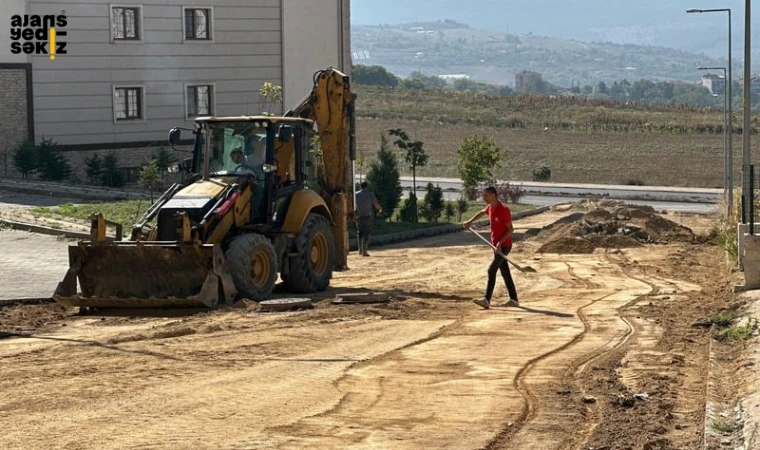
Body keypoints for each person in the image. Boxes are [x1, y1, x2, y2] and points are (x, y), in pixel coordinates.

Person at [461, 186, 519, 309]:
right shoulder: (490, 208)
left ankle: (486, 299)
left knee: (491, 270)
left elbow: (510, 229)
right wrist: (470, 222)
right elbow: (482, 212)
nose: (484, 198)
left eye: (486, 195)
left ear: (493, 195)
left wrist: (499, 244)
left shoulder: (504, 210)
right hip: (496, 246)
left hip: (504, 246)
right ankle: (514, 300)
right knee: (505, 272)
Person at [355, 181, 383, 256]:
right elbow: (375, 204)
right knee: (366, 233)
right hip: (367, 216)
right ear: (367, 187)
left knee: (359, 233)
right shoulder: (370, 194)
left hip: (358, 217)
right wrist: (380, 209)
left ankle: (360, 250)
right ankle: (364, 251)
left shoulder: (356, 194)